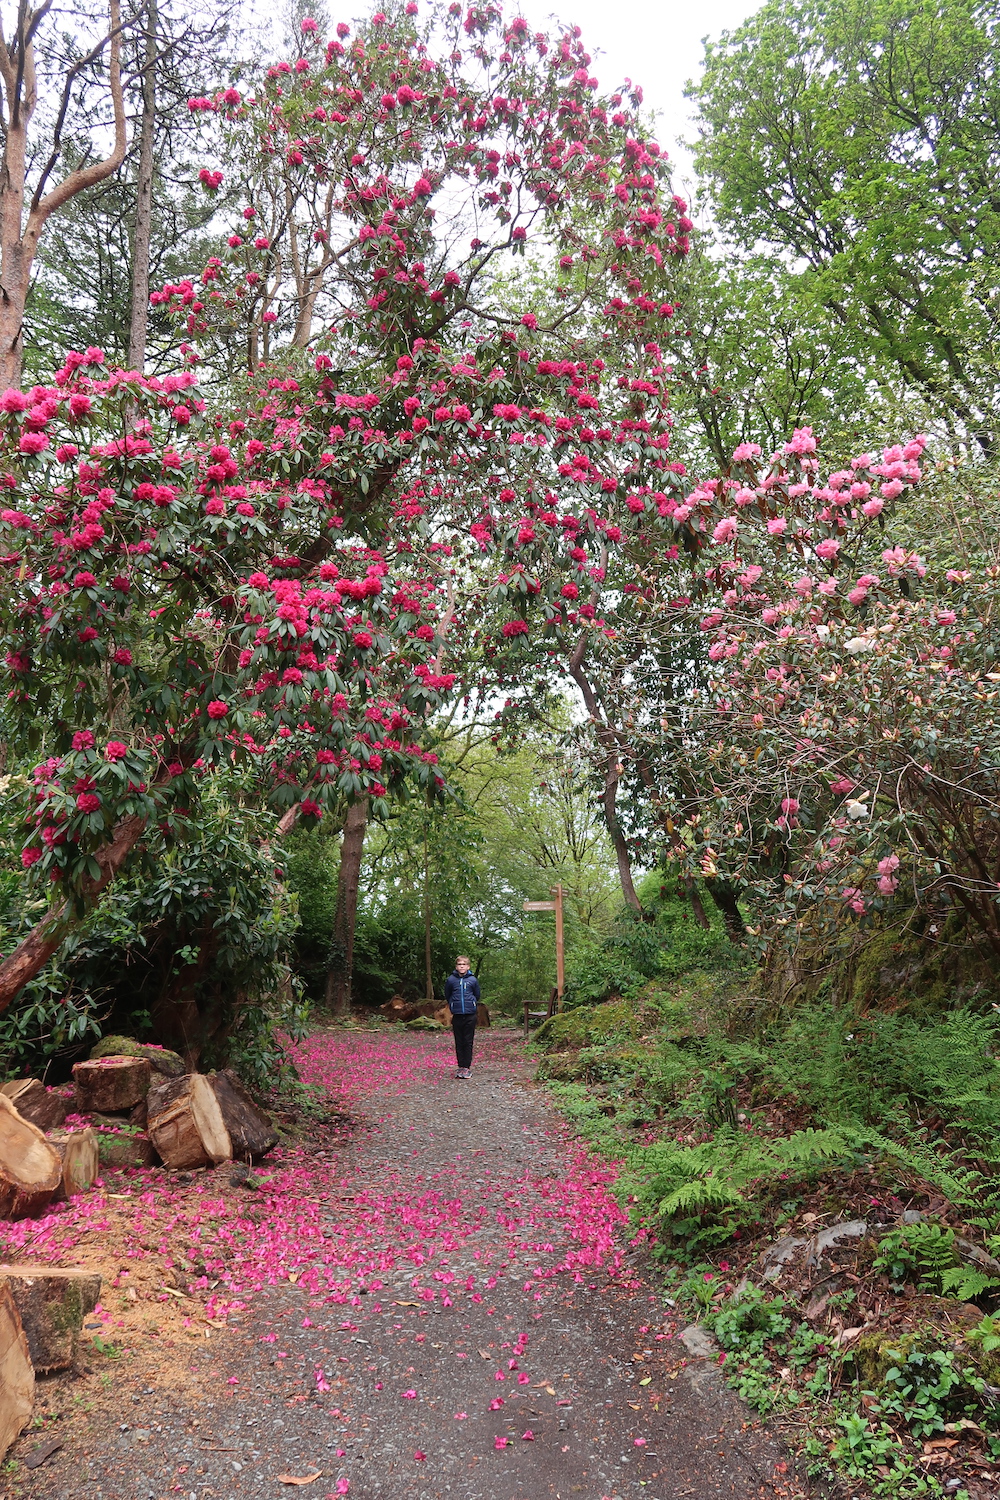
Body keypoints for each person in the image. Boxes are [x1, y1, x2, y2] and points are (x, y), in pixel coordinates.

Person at [444, 955, 480, 1079]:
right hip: (457, 1015)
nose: (462, 966)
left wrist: (471, 1004)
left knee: (468, 1041)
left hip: (470, 1015)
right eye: (460, 964)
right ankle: (460, 1066)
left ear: (468, 966)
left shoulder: (473, 980)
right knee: (459, 1042)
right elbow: (448, 995)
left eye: (464, 964)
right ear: (456, 966)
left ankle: (467, 1067)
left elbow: (477, 995)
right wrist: (454, 1005)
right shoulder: (451, 980)